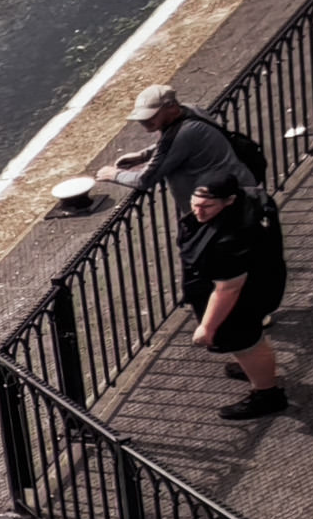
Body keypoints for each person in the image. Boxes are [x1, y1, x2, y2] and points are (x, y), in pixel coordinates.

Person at [184, 166, 289, 420]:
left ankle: (266, 393)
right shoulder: (251, 199)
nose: (198, 211)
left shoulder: (231, 240)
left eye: (207, 206)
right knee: (247, 342)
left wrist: (207, 328)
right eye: (195, 204)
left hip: (242, 300)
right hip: (261, 282)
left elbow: (228, 289)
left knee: (247, 344)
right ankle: (253, 369)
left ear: (229, 201)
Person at [105, 80, 256, 211]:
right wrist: (144, 155)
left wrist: (114, 174)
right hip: (238, 187)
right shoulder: (191, 110)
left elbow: (144, 180)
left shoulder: (180, 134)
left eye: (152, 115)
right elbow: (180, 145)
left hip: (219, 205)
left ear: (171, 107)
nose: (144, 121)